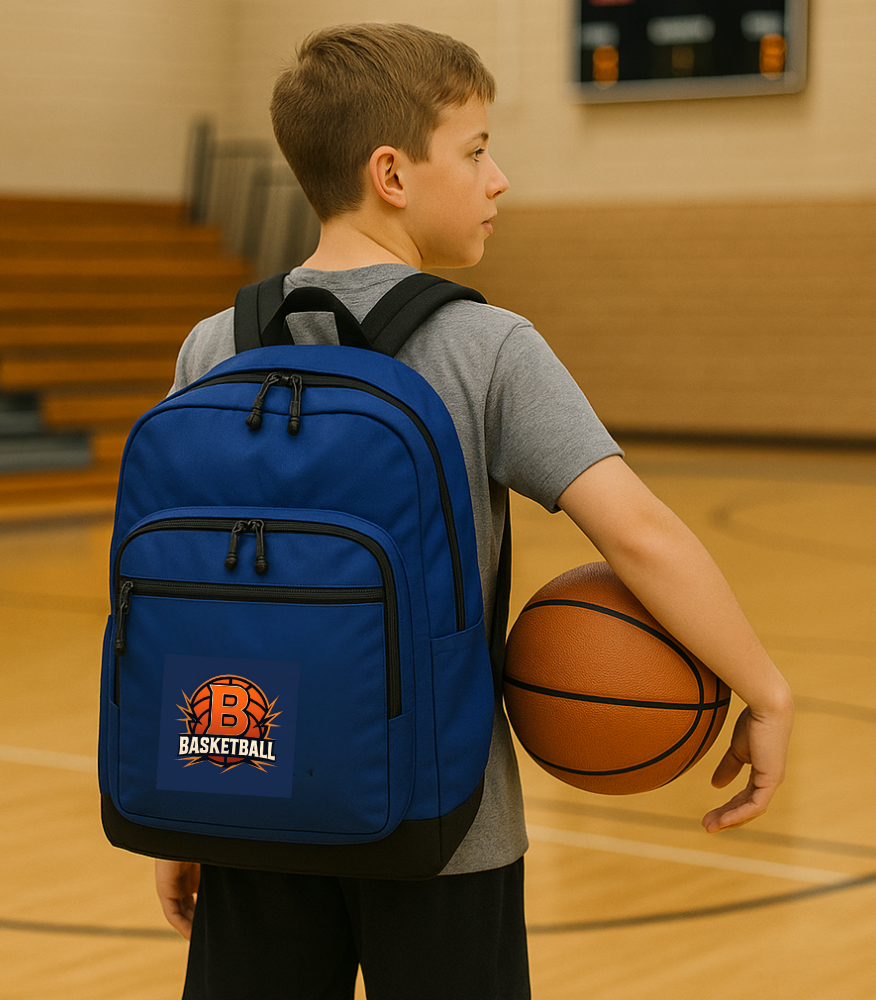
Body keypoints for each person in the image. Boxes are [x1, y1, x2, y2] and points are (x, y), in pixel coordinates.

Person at [154, 22, 794, 1000]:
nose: (498, 181)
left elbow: (189, 599)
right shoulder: (485, 347)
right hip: (446, 825)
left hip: (250, 795)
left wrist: (187, 799)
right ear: (391, 174)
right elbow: (639, 532)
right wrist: (768, 690)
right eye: (478, 151)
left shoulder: (212, 348)